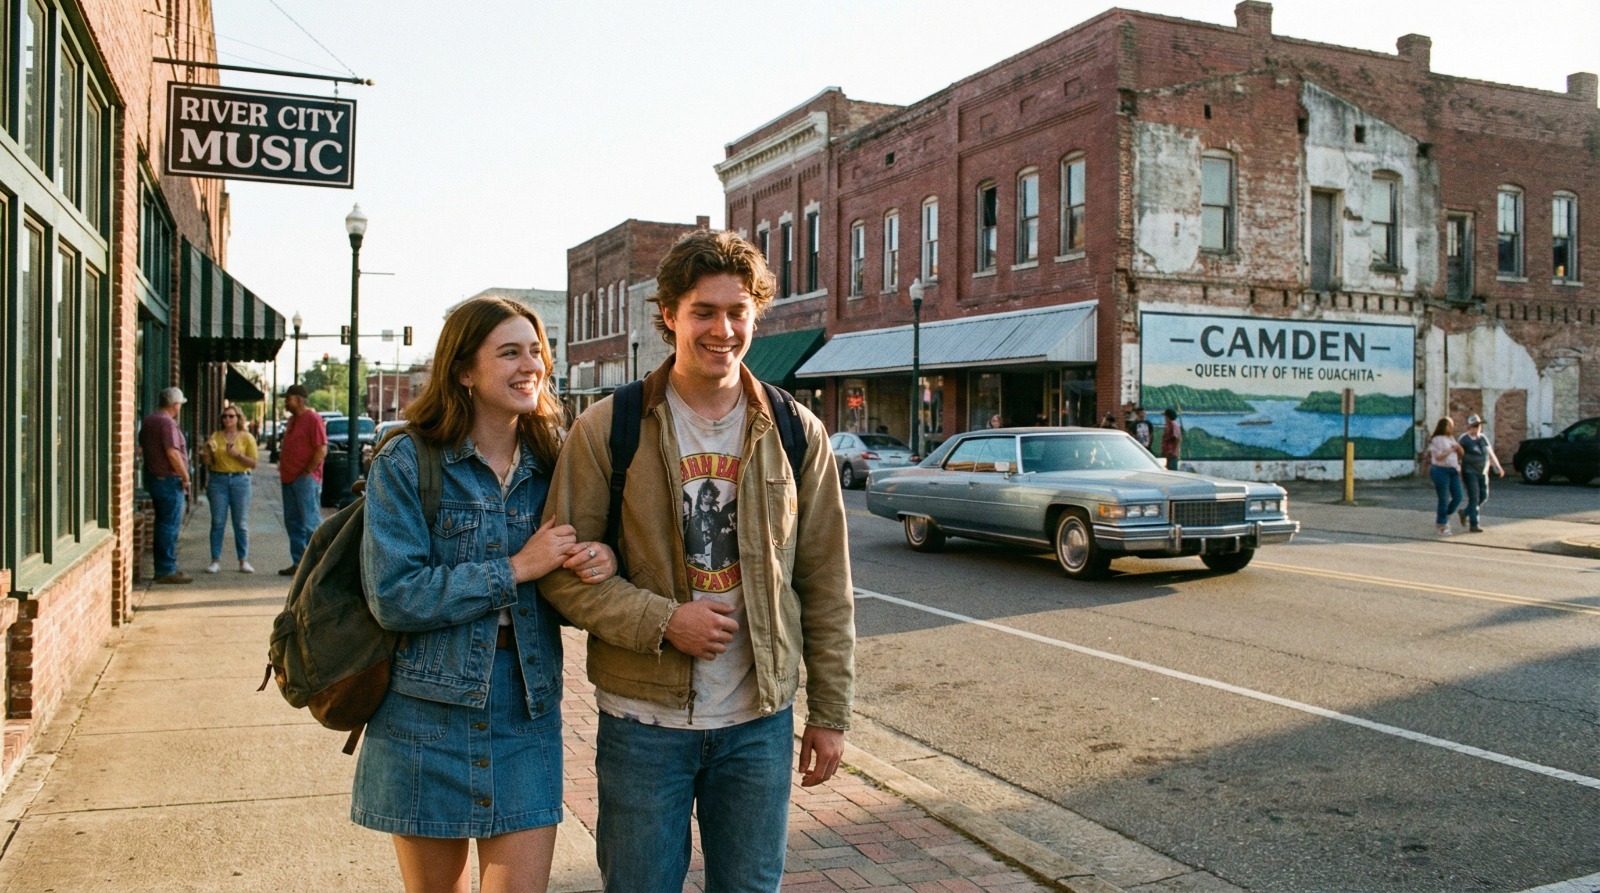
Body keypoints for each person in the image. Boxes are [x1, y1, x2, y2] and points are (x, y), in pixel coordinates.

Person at [539, 230, 855, 892]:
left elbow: (826, 584)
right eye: (703, 311)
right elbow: (561, 574)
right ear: (669, 316)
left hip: (758, 724)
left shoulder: (797, 432)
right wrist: (664, 620)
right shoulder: (609, 427)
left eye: (737, 311)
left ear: (755, 314)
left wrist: (830, 713)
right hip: (642, 724)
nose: (723, 329)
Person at [354, 296, 617, 893]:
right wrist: (516, 568)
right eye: (509, 353)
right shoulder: (408, 460)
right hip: (424, 712)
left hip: (527, 707)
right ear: (464, 371)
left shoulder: (557, 460)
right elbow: (394, 595)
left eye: (537, 352)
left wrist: (600, 561)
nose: (531, 366)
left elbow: (575, 584)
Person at [139, 387, 193, 584]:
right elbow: (172, 453)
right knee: (169, 526)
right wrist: (185, 476)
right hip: (169, 481)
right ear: (175, 405)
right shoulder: (167, 423)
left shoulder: (149, 420)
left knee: (162, 525)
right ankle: (166, 569)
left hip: (155, 478)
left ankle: (164, 567)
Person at [276, 385, 328, 576]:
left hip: (305, 479)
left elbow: (321, 449)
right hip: (288, 478)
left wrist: (307, 471)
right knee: (293, 522)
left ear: (298, 399)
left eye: (288, 398)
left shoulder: (313, 419)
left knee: (310, 522)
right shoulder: (292, 420)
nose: (285, 402)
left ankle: (319, 566)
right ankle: (299, 563)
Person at [201, 405, 258, 574]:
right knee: (218, 522)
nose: (227, 419)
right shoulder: (216, 436)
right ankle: (215, 560)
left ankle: (243, 560)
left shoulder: (247, 437)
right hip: (218, 480)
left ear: (238, 418)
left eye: (231, 416)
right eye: (224, 416)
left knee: (240, 523)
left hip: (241, 480)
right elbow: (209, 463)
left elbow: (253, 463)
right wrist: (206, 455)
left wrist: (237, 455)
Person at [1457, 414, 1504, 533]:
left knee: (1483, 496)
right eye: (1474, 426)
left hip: (1482, 471)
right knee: (1474, 497)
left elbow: (1490, 453)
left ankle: (1465, 512)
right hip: (1469, 471)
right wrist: (1458, 467)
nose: (1476, 428)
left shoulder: (1483, 438)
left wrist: (1498, 466)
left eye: (1478, 426)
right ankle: (1474, 524)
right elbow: (1457, 454)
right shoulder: (1464, 439)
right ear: (1469, 427)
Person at [1425, 417, 1465, 535]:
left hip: (1453, 470)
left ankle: (1444, 515)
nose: (1452, 428)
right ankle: (1442, 524)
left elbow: (1461, 453)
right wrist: (1450, 450)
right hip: (1440, 470)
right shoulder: (1437, 439)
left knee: (1458, 496)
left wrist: (1459, 448)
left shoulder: (1451, 438)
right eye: (1449, 425)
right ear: (1443, 426)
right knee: (1443, 498)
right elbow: (1438, 457)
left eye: (1452, 425)